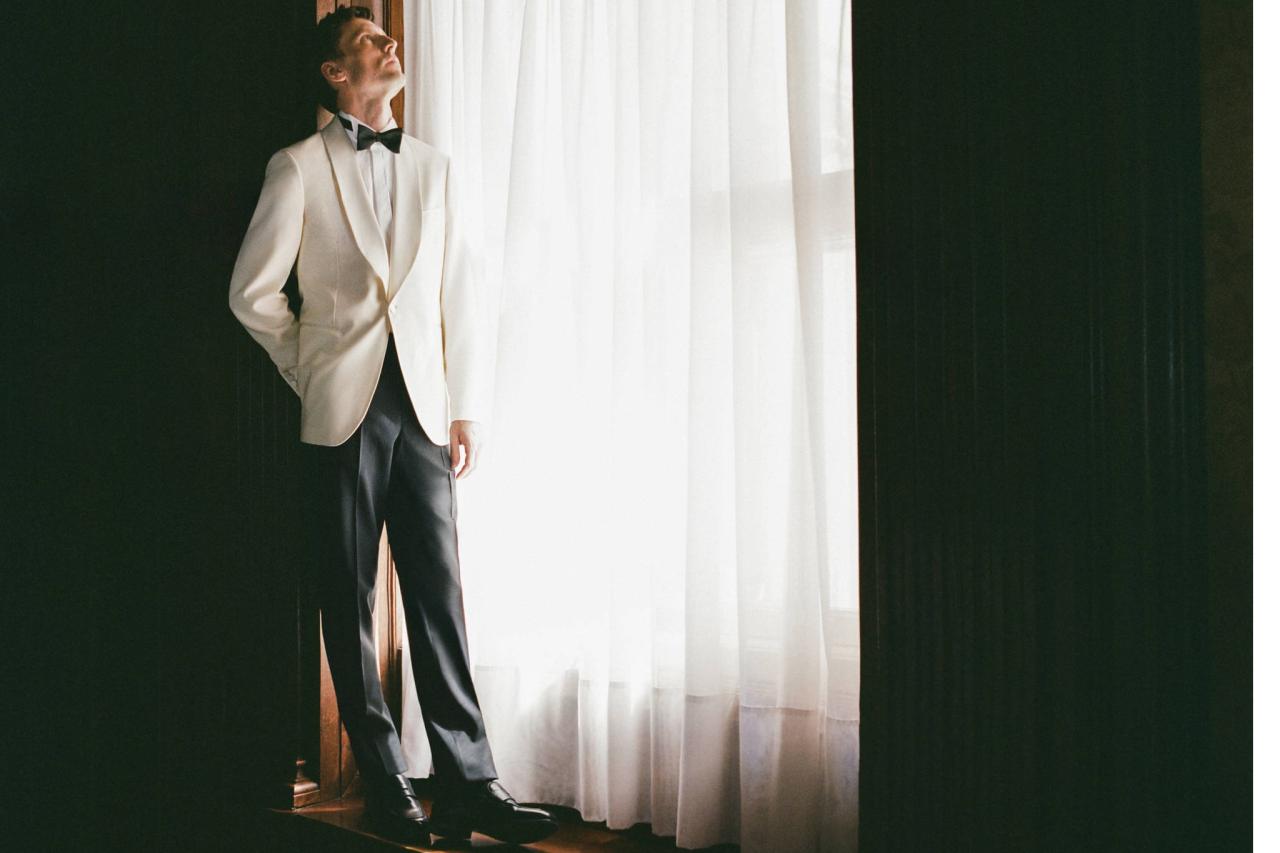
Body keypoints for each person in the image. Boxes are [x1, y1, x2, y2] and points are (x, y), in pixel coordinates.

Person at [227, 5, 557, 846]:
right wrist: (310, 366)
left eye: (387, 35)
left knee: (440, 594)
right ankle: (384, 784)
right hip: (341, 408)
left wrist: (464, 404)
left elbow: (459, 292)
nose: (389, 44)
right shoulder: (297, 166)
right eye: (370, 40)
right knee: (349, 599)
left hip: (423, 406)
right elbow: (252, 293)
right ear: (336, 72)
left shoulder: (435, 167)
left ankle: (472, 784)